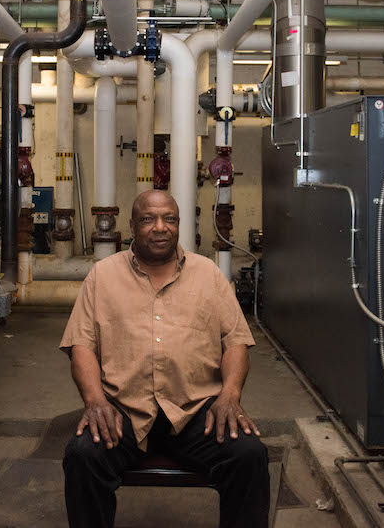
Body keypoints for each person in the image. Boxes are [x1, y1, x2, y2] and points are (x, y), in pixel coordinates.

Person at [60, 189, 268, 528]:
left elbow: (235, 342)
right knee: (83, 455)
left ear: (178, 224)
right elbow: (81, 345)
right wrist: (95, 400)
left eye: (169, 219)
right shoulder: (103, 275)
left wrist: (229, 395)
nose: (160, 227)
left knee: (249, 455)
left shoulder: (209, 275)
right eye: (148, 219)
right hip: (124, 410)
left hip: (195, 410)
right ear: (132, 226)